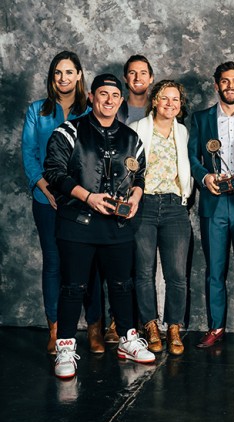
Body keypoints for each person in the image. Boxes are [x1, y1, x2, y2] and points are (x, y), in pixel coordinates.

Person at [44, 73, 155, 379]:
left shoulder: (130, 138)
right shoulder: (68, 131)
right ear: (92, 96)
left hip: (117, 226)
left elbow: (140, 174)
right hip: (77, 224)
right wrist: (88, 197)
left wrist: (135, 196)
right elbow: (53, 172)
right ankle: (65, 346)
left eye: (114, 96)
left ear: (121, 100)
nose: (109, 100)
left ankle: (127, 340)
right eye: (102, 94)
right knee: (74, 287)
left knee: (122, 285)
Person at [21, 50, 105, 355]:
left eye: (69, 72)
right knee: (54, 263)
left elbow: (95, 157)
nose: (63, 78)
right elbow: (29, 154)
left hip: (83, 200)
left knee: (88, 264)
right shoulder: (37, 111)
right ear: (51, 77)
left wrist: (78, 194)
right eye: (58, 73)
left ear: (79, 76)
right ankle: (55, 329)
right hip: (46, 200)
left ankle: (95, 327)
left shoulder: (90, 112)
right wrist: (45, 189)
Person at [188, 61, 234, 349]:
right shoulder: (201, 118)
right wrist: (204, 177)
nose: (230, 86)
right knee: (214, 270)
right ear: (216, 85)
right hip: (214, 200)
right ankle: (215, 327)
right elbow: (192, 156)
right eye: (224, 81)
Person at [129, 80, 192, 356]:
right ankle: (150, 325)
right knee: (143, 271)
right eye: (165, 99)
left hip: (174, 205)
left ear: (180, 104)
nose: (170, 104)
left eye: (175, 100)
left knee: (176, 274)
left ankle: (174, 327)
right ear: (155, 101)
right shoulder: (137, 130)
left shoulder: (182, 132)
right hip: (144, 203)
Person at [118, 54, 154, 125]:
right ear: (125, 79)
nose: (137, 78)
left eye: (143, 73)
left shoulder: (160, 109)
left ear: (151, 78)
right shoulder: (115, 109)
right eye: (132, 73)